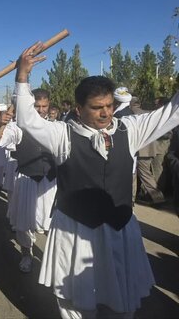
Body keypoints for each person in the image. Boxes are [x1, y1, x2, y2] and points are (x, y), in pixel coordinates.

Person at [14, 41, 179, 318]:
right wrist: (22, 77)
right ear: (78, 109)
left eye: (109, 105)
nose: (106, 113)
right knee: (75, 300)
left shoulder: (131, 129)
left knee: (122, 293)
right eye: (97, 107)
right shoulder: (62, 135)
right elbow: (28, 120)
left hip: (120, 228)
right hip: (76, 231)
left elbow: (170, 113)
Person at [0, 89, 57, 274]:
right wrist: (1, 125)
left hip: (50, 183)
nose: (41, 110)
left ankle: (54, 258)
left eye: (44, 106)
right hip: (27, 180)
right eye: (37, 106)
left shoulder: (57, 127)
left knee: (53, 223)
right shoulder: (17, 128)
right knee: (24, 222)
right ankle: (27, 255)